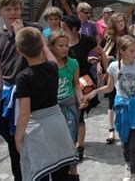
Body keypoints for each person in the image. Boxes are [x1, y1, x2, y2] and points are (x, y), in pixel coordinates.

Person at [0, 0, 43, 180]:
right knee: (15, 144)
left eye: (16, 8)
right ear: (0, 11)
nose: (13, 12)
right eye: (8, 8)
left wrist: (21, 34)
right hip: (9, 94)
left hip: (32, 91)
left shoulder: (33, 29)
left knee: (35, 140)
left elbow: (42, 59)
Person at [14, 27, 78, 180]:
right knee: (61, 169)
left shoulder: (23, 77)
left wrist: (17, 137)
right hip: (57, 122)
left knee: (41, 170)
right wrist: (41, 41)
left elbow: (24, 112)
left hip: (38, 127)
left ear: (19, 51)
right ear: (42, 47)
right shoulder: (52, 68)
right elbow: (53, 60)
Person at [85, 35, 135, 181]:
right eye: (131, 51)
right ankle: (127, 166)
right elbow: (109, 87)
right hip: (121, 108)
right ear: (122, 51)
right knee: (125, 141)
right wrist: (95, 91)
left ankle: (134, 173)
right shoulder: (114, 66)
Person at [61, 15, 109, 161]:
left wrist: (106, 71)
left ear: (74, 29)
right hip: (64, 82)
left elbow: (101, 53)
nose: (61, 31)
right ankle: (68, 143)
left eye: (64, 28)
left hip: (82, 82)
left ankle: (79, 147)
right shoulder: (60, 43)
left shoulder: (85, 40)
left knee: (79, 115)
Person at [48, 31, 88, 180]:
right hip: (53, 108)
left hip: (70, 105)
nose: (64, 48)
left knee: (71, 140)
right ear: (51, 47)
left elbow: (76, 84)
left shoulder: (73, 63)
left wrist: (81, 98)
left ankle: (73, 171)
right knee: (55, 142)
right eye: (60, 45)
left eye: (66, 45)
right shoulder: (47, 65)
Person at [102, 13, 129, 145]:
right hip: (113, 72)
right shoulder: (109, 38)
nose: (121, 23)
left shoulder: (129, 37)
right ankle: (111, 130)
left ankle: (127, 126)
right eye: (118, 21)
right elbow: (102, 53)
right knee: (112, 100)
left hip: (127, 72)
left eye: (122, 21)